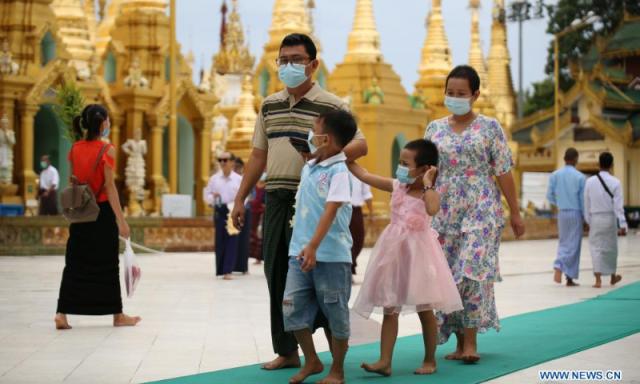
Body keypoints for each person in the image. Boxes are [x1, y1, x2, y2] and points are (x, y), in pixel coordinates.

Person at [230, 33, 367, 370]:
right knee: (277, 273)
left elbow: (359, 145)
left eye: (297, 60)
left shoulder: (332, 106)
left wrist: (325, 155)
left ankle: (333, 357)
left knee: (321, 276)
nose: (289, 66)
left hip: (316, 200)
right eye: (283, 60)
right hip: (276, 196)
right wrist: (240, 198)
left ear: (313, 64)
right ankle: (288, 350)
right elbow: (258, 155)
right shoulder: (268, 105)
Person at [423, 65, 525, 363]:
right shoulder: (435, 129)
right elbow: (427, 171)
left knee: (473, 272)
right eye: (450, 93)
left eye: (461, 93)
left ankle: (471, 341)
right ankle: (457, 342)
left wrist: (516, 213)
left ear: (475, 95)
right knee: (450, 275)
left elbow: (503, 171)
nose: (454, 98)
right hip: (445, 211)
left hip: (481, 207)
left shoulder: (490, 128)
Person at [349, 139, 463, 377]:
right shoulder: (397, 186)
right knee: (390, 306)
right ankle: (384, 361)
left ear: (424, 168)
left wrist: (429, 183)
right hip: (392, 254)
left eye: (404, 163)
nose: (399, 167)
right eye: (399, 162)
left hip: (418, 256)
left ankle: (430, 359)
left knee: (425, 308)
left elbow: (432, 209)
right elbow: (365, 175)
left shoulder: (427, 193)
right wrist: (343, 157)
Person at [283, 110, 356, 384]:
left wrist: (313, 245)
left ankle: (337, 370)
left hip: (330, 256)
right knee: (291, 307)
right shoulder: (309, 167)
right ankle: (312, 360)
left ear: (327, 138)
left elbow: (331, 209)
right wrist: (304, 246)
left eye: (314, 130)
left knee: (336, 313)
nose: (310, 135)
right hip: (298, 253)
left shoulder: (339, 171)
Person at [55, 104, 140, 330]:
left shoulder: (74, 149)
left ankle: (61, 314)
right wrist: (121, 220)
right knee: (107, 264)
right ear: (102, 123)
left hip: (81, 212)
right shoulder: (107, 150)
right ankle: (117, 315)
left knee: (74, 262)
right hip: (101, 213)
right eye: (108, 121)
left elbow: (73, 180)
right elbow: (110, 188)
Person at [584, 152, 627, 288]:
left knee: (596, 248)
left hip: (595, 218)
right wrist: (623, 224)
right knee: (611, 248)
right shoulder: (616, 182)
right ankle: (612, 277)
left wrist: (588, 221)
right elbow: (618, 206)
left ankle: (598, 280)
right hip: (610, 218)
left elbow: (586, 203)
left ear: (598, 164)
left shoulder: (589, 182)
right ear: (612, 165)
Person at [547, 148, 586, 286]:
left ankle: (569, 277)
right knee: (574, 245)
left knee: (564, 242)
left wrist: (560, 203)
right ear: (576, 159)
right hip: (575, 212)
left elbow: (549, 196)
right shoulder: (580, 177)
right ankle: (560, 266)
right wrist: (585, 217)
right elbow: (583, 201)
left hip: (562, 213)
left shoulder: (555, 175)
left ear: (564, 159)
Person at [204, 152, 242, 280]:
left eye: (225, 160)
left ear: (232, 162)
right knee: (220, 240)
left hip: (232, 210)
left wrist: (239, 206)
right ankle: (220, 269)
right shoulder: (214, 179)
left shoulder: (238, 179)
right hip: (219, 210)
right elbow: (207, 195)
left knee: (232, 240)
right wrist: (212, 198)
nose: (222, 163)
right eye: (220, 160)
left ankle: (228, 270)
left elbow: (244, 196)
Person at [349, 174, 373, 277]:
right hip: (341, 209)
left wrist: (371, 212)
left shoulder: (361, 173)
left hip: (356, 210)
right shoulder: (337, 169)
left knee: (358, 239)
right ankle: (349, 268)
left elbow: (367, 194)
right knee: (346, 240)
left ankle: (352, 263)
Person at [233, 157, 250, 274]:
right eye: (235, 167)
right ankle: (231, 265)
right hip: (232, 210)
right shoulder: (231, 178)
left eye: (238, 167)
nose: (236, 169)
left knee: (243, 240)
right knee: (232, 239)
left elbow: (249, 195)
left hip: (245, 210)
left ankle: (243, 267)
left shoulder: (246, 179)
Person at [250, 173, 267, 265]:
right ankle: (256, 257)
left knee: (261, 235)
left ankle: (261, 257)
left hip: (262, 213)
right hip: (253, 212)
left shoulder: (266, 187)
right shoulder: (254, 186)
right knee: (254, 234)